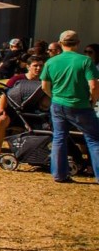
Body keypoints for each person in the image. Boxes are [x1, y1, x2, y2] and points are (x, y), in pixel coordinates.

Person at [40, 30, 99, 183]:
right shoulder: (85, 61)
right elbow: (94, 86)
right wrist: (92, 101)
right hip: (81, 105)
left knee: (59, 138)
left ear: (60, 43)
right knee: (94, 139)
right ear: (78, 43)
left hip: (58, 104)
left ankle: (59, 174)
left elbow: (44, 86)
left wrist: (54, 96)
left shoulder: (51, 62)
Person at [0, 57, 49, 163]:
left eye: (41, 66)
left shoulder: (44, 81)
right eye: (35, 66)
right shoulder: (17, 79)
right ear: (28, 67)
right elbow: (4, 95)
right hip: (14, 111)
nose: (38, 68)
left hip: (34, 114)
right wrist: (1, 108)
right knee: (0, 121)